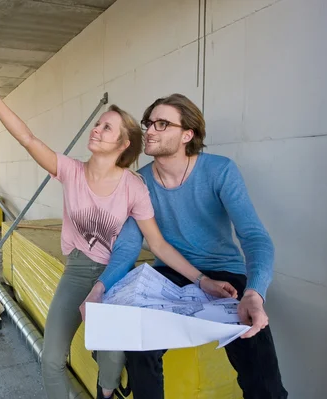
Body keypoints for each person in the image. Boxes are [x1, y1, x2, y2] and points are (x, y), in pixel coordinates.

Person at [0, 56, 237, 399]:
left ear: (123, 145)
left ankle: (107, 390)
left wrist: (203, 280)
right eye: (98, 124)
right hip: (77, 271)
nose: (96, 129)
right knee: (52, 358)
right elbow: (27, 138)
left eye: (107, 127)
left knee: (113, 361)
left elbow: (158, 245)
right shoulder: (70, 171)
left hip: (117, 276)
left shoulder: (134, 186)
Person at [85, 93, 288, 398]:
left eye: (162, 124)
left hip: (225, 274)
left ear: (187, 134)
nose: (150, 130)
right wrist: (98, 289)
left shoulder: (220, 171)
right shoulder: (138, 182)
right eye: (149, 122)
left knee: (260, 365)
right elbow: (127, 247)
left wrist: (255, 292)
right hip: (169, 274)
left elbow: (254, 237)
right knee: (140, 347)